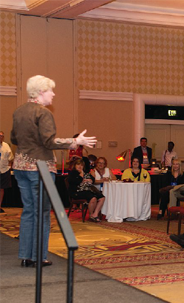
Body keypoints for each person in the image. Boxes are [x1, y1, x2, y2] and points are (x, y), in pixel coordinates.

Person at [11, 75, 96, 268]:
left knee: (28, 211)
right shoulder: (44, 113)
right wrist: (75, 142)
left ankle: (26, 255)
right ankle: (39, 256)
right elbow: (49, 141)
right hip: (40, 168)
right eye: (51, 90)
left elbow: (14, 139)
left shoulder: (18, 111)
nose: (54, 94)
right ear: (41, 92)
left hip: (20, 167)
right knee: (42, 212)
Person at [68, 159, 105, 223]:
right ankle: (91, 215)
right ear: (75, 165)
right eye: (78, 165)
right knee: (93, 198)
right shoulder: (73, 173)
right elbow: (74, 181)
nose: (80, 166)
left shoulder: (85, 172)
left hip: (87, 190)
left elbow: (93, 179)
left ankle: (95, 214)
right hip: (77, 191)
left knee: (102, 197)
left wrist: (90, 180)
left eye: (81, 165)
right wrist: (82, 178)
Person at [0, 131, 14, 213]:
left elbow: (11, 158)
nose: (0, 137)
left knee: (1, 189)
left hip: (4, 170)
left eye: (2, 136)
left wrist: (9, 166)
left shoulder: (6, 146)